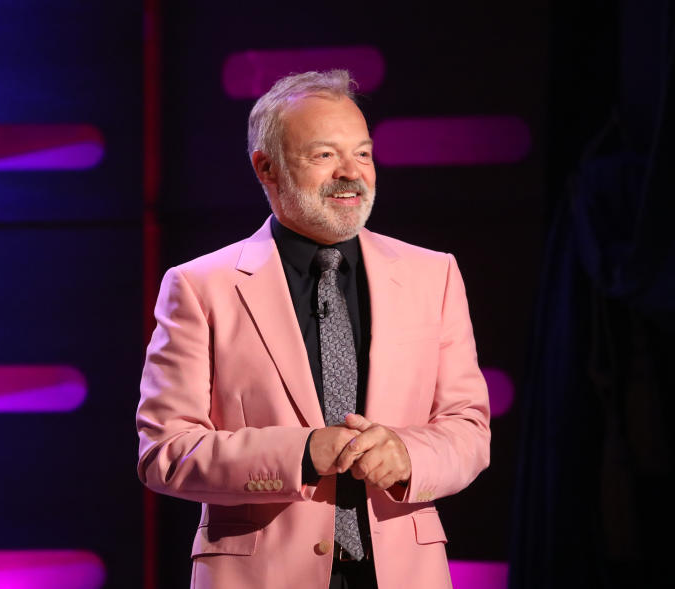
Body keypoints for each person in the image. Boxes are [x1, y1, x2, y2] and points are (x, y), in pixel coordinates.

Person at [136, 70, 491, 589]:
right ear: (267, 168)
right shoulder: (199, 286)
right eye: (325, 155)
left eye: (363, 154)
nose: (352, 173)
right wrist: (301, 453)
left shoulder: (432, 274)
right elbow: (165, 452)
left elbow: (469, 429)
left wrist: (408, 454)